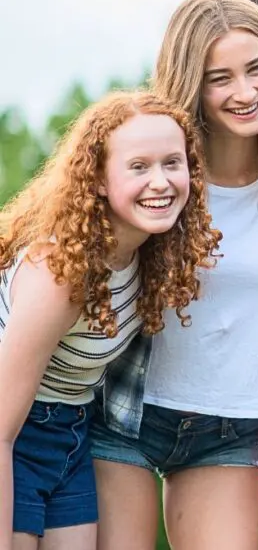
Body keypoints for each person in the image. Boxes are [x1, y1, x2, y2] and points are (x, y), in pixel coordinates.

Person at [89, 0, 258, 550]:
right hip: (127, 414)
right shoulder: (160, 179)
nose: (244, 92)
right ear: (191, 83)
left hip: (231, 428)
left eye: (255, 69)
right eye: (220, 78)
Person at [0, 90, 220, 550]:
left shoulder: (151, 259)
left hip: (72, 433)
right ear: (99, 180)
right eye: (138, 167)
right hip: (14, 438)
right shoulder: (61, 273)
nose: (159, 181)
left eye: (172, 164)